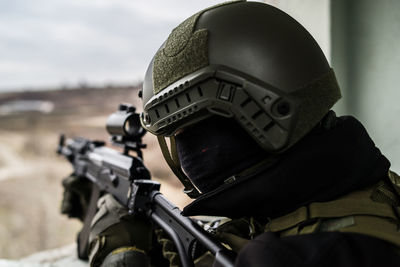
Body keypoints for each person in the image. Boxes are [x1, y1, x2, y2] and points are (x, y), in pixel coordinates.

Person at [65, 1, 400, 266]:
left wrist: (121, 247)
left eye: (190, 128)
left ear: (268, 111)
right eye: (175, 133)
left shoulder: (316, 253)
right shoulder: (359, 191)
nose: (187, 151)